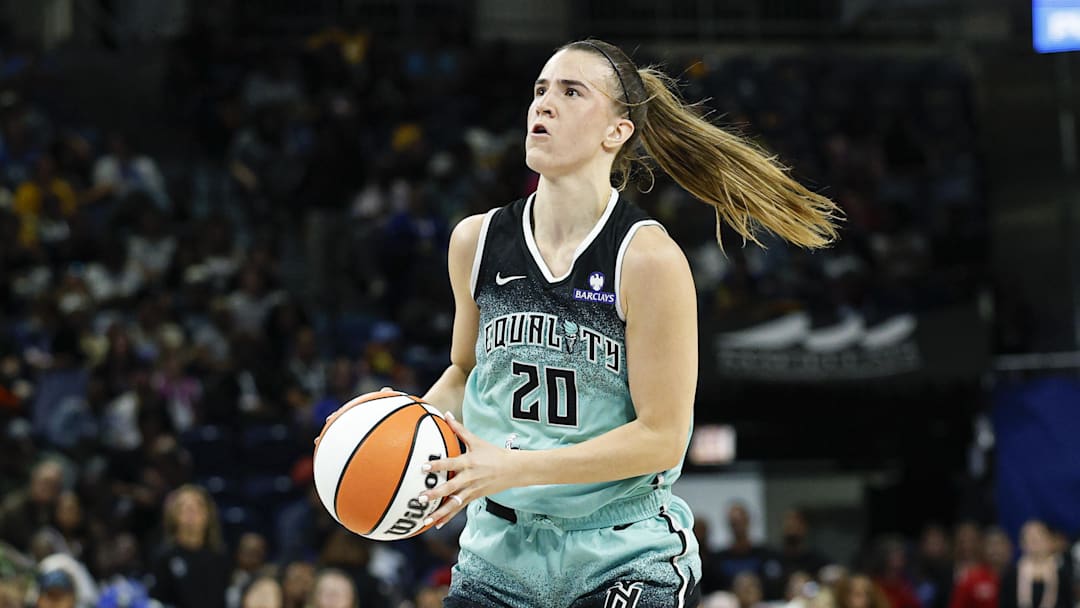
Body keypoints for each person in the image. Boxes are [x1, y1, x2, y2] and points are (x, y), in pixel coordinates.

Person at [325, 38, 838, 607]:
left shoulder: (647, 259)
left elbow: (663, 437)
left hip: (620, 550)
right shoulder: (476, 240)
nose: (544, 104)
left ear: (616, 132)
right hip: (497, 552)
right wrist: (411, 424)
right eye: (541, 90)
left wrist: (515, 467)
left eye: (571, 92)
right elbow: (465, 369)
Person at [148, 485, 231, 608]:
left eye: (198, 505)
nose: (191, 510)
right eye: (183, 506)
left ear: (208, 514)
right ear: (173, 515)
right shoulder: (162, 557)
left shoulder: (221, 556)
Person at [1000, 520, 1073, 608]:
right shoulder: (1011, 574)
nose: (1035, 542)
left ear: (1049, 541)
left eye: (1039, 537)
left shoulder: (1062, 573)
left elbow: (1068, 603)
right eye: (1030, 538)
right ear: (1022, 543)